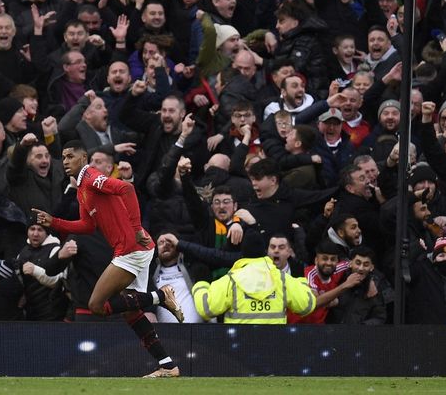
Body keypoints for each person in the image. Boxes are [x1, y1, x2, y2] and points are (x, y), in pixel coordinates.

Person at [32, 141, 183, 378]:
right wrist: (55, 222)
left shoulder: (92, 178)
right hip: (131, 249)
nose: (66, 161)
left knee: (96, 305)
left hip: (132, 247)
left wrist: (135, 228)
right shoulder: (82, 189)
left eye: (71, 156)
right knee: (131, 312)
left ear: (84, 158)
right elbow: (87, 225)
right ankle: (168, 365)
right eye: (63, 157)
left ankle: (161, 296)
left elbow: (127, 189)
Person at [190, 230, 317, 324]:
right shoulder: (281, 278)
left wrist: (201, 283)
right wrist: (301, 281)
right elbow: (306, 306)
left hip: (237, 348)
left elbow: (206, 309)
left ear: (243, 253)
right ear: (264, 251)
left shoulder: (231, 280)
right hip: (274, 347)